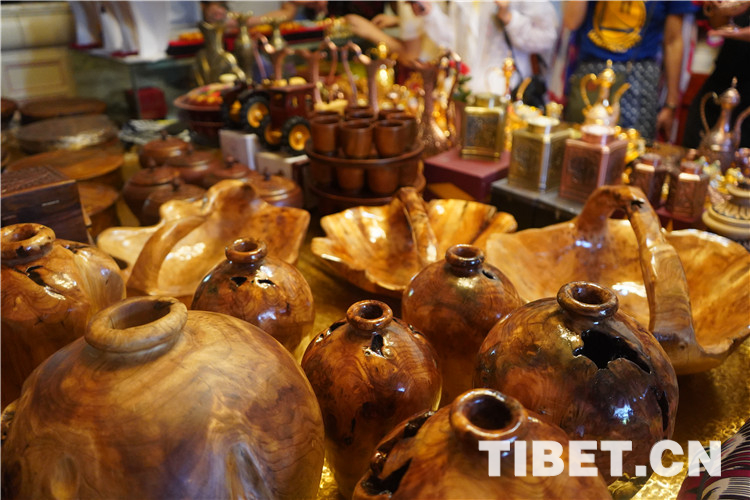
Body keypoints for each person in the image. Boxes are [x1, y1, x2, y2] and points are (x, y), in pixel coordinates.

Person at [562, 1, 697, 141]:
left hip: (639, 78)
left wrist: (671, 104)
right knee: (580, 143)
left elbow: (673, 41)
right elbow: (571, 22)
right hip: (592, 73)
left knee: (634, 146)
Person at [408, 1, 560, 98]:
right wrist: (430, 14)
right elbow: (455, 39)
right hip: (463, 89)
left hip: (505, 91)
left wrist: (509, 18)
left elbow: (546, 38)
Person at [682, 5, 750, 149]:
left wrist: (739, 32)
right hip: (722, 80)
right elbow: (718, 25)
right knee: (693, 149)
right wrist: (716, 8)